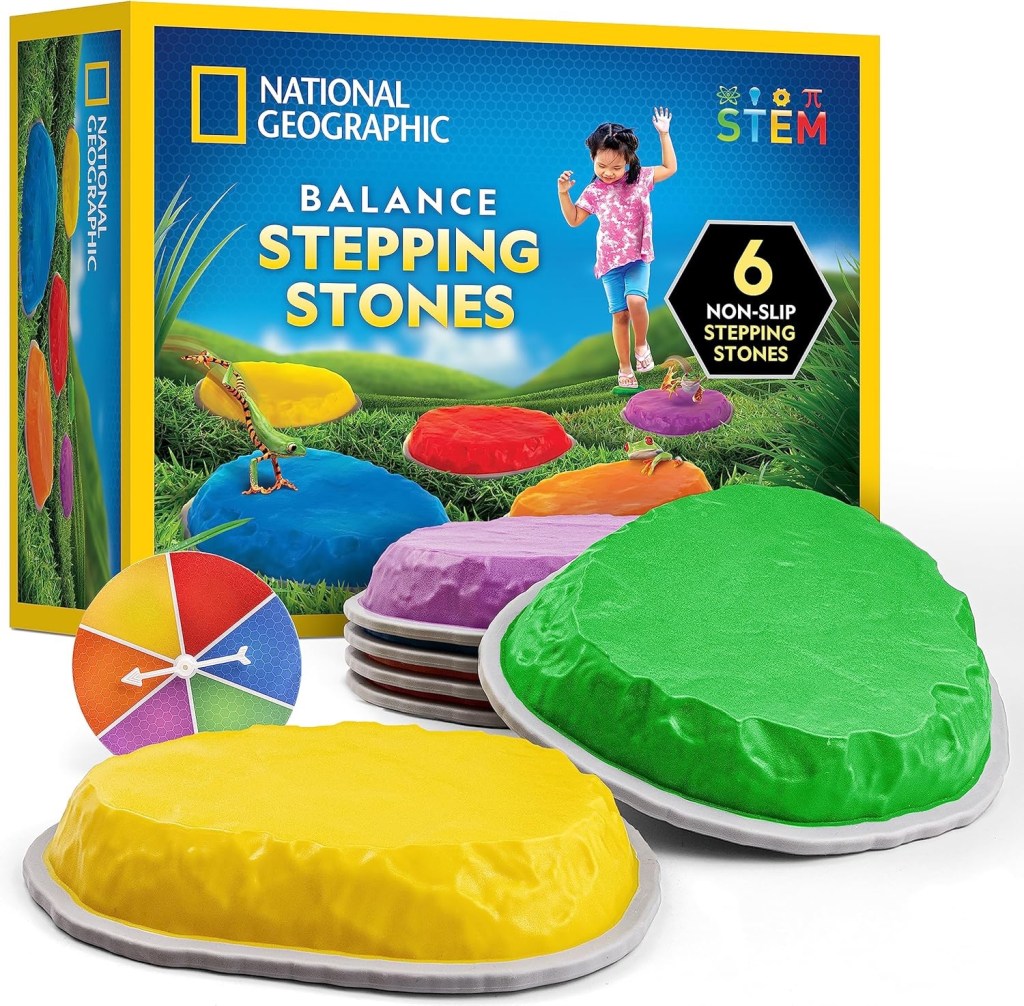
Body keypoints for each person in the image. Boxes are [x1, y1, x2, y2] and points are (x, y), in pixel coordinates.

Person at [557, 108, 677, 388]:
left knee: (636, 301)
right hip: (609, 262)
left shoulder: (641, 178)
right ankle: (625, 368)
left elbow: (670, 168)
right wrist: (563, 194)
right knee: (620, 315)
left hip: (638, 257)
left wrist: (664, 134)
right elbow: (574, 220)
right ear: (592, 158)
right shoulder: (594, 192)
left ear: (628, 161)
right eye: (601, 166)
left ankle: (642, 346)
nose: (608, 173)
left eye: (616, 167)